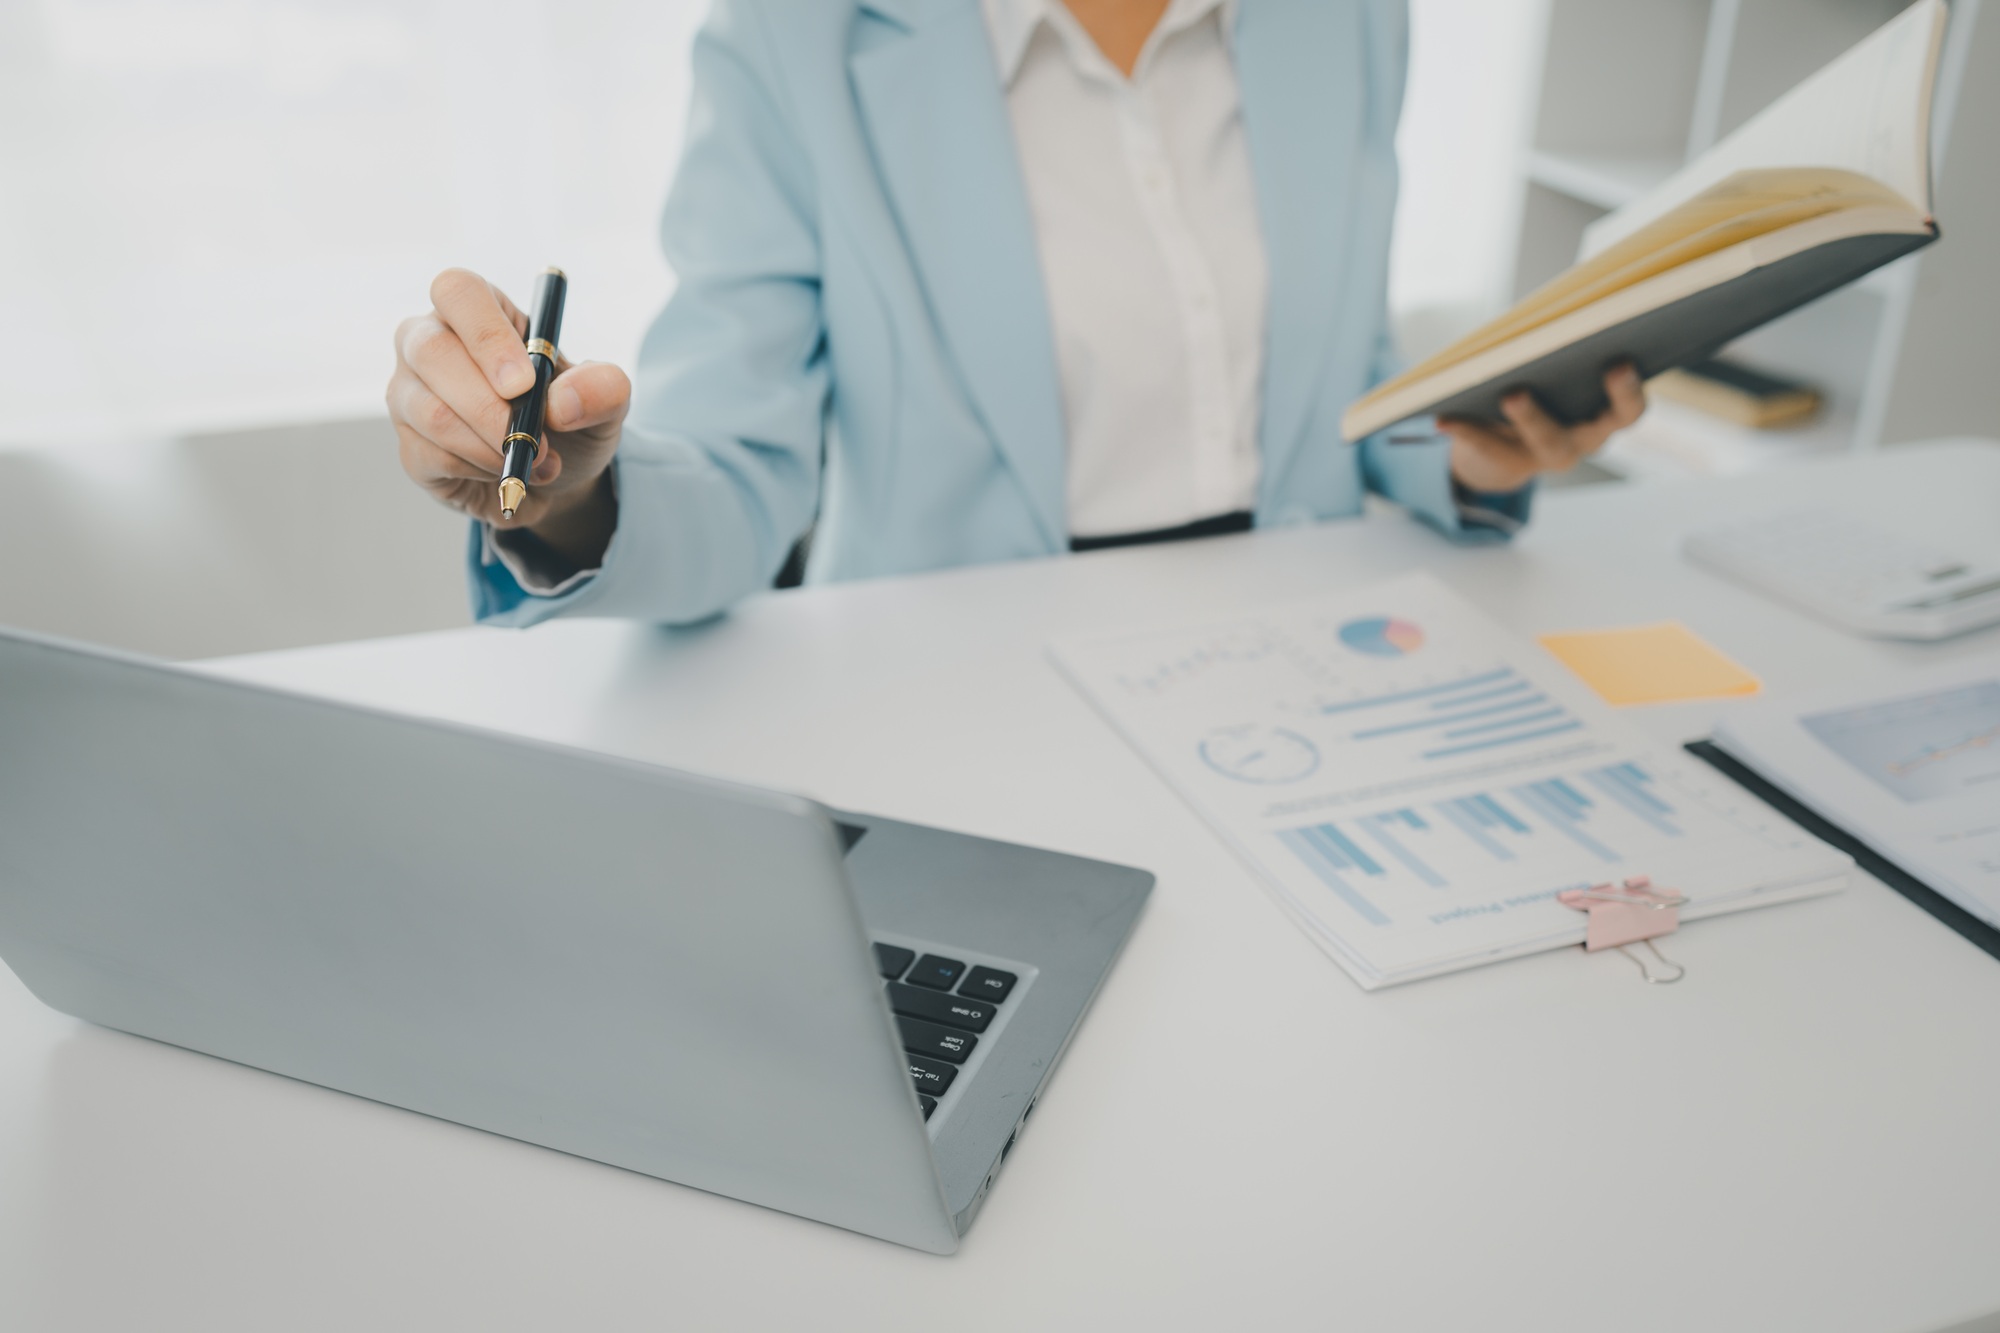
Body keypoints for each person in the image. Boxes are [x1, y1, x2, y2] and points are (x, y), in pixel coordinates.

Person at [387, 0, 1644, 627]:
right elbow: (738, 473)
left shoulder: (1343, 18)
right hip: (974, 690)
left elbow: (1332, 375)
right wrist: (563, 491)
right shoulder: (794, 40)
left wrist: (1465, 455)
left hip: (1309, 655)